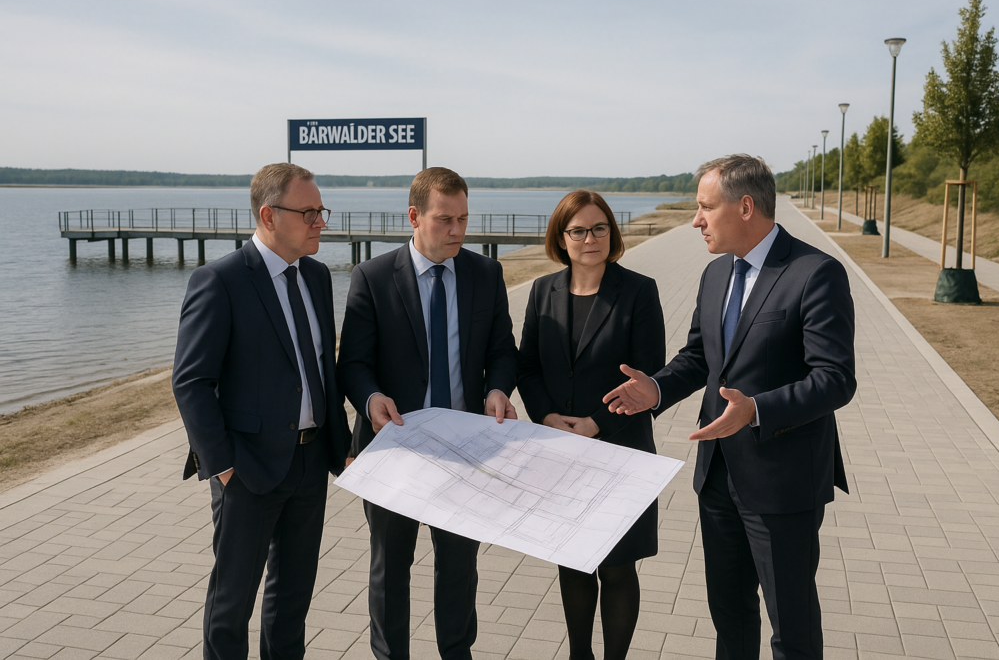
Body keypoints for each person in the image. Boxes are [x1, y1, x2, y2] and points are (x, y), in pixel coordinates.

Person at [603, 154, 855, 660]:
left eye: (705, 207)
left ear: (744, 207)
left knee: (792, 627)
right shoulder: (716, 273)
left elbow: (835, 379)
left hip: (783, 481)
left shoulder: (815, 273)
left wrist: (756, 409)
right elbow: (700, 357)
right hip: (717, 476)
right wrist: (657, 389)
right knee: (730, 616)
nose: (695, 220)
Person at [172, 163, 351, 660]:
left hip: (310, 464)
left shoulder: (317, 276)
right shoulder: (220, 280)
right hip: (247, 469)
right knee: (231, 608)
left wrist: (341, 447)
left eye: (322, 211)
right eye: (309, 212)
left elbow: (323, 370)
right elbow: (191, 381)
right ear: (269, 215)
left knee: (291, 605)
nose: (320, 222)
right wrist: (223, 466)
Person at [337, 166, 518, 660]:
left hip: (466, 450)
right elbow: (353, 364)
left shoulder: (486, 274)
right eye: (445, 220)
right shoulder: (373, 277)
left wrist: (498, 388)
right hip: (393, 448)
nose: (457, 230)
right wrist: (371, 399)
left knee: (459, 570)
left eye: (463, 219)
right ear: (414, 216)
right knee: (389, 569)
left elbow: (503, 350)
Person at [517, 190, 665, 660]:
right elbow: (527, 368)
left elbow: (648, 375)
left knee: (617, 568)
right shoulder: (542, 291)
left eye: (599, 228)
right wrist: (546, 416)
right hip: (561, 451)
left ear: (611, 232)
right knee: (574, 563)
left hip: (622, 448)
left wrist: (597, 424)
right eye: (578, 230)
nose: (590, 238)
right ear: (561, 238)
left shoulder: (639, 291)